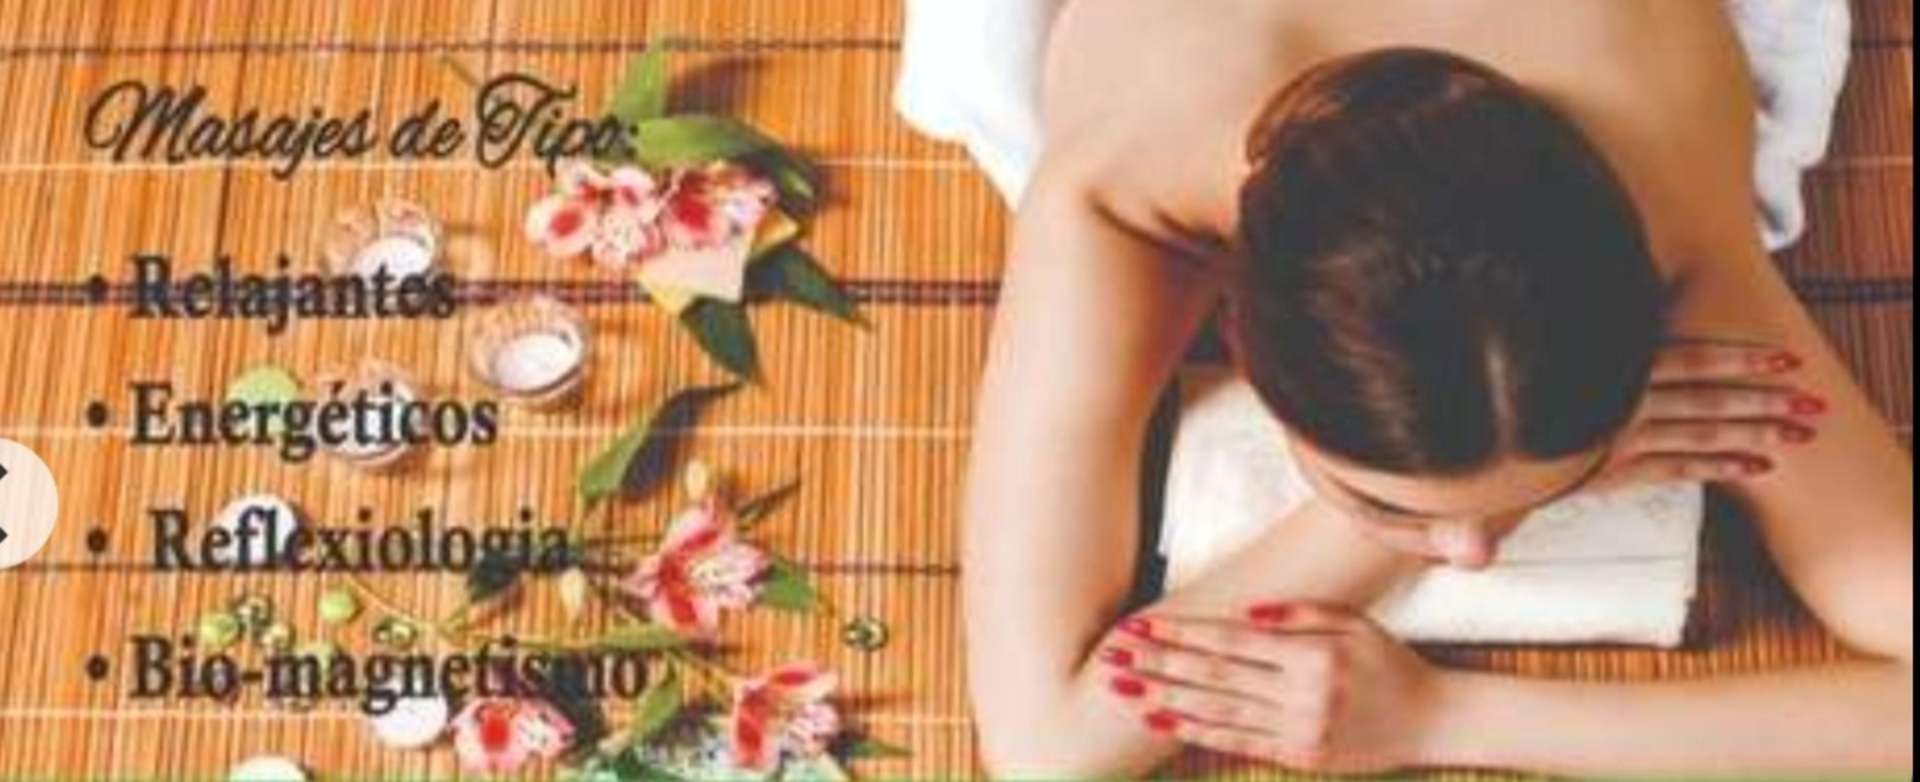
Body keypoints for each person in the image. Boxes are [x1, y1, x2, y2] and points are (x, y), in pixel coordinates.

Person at [961, 1, 1913, 777]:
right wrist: (1373, 533)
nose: (1471, 555)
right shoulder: (1122, 191)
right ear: (1237, 340)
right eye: (1384, 500)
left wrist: (1447, 716)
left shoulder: (1668, 207)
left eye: (1565, 483)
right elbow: (1045, 752)